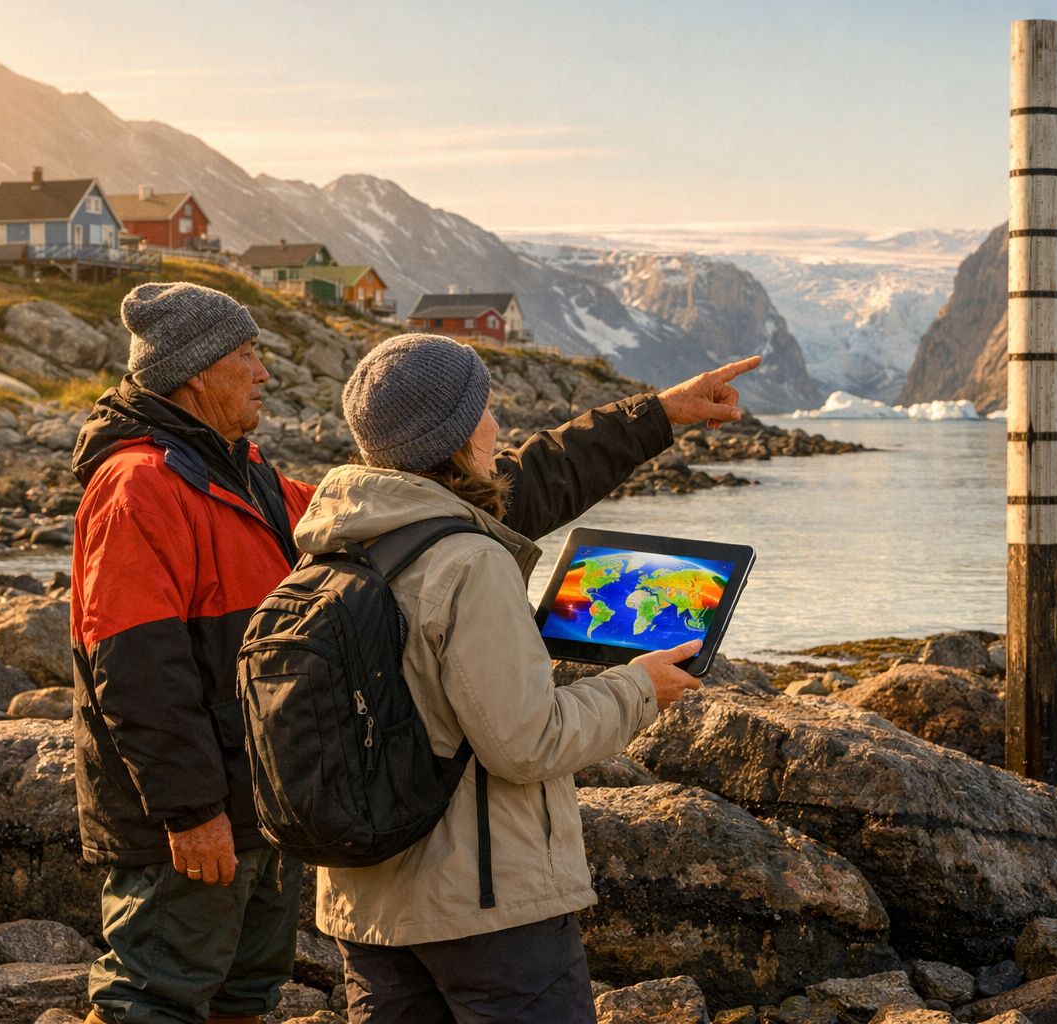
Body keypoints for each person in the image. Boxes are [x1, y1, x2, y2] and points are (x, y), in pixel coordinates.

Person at [69, 281, 759, 1024]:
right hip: (200, 818)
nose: (264, 371)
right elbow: (134, 669)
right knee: (155, 998)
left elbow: (466, 498)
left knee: (243, 995)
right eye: (247, 354)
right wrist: (188, 810)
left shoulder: (273, 491)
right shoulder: (138, 486)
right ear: (197, 370)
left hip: (279, 807)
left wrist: (655, 416)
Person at [295, 334, 755, 1024]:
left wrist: (659, 414)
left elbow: (539, 474)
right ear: (451, 436)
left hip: (366, 909)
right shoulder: (467, 560)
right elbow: (527, 743)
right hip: (487, 910)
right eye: (483, 410)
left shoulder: (332, 544)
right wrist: (638, 687)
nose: (498, 425)